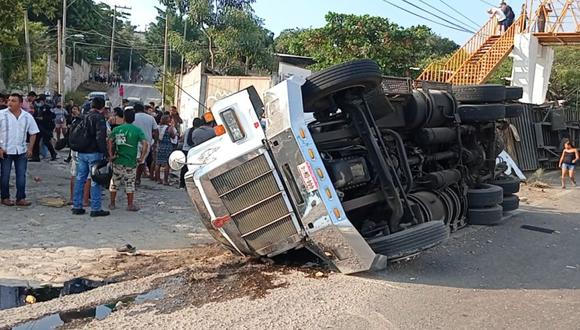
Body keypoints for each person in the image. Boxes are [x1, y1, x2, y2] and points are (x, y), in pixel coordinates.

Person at [70, 97, 110, 217]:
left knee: (80, 178)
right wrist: (105, 153)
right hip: (94, 153)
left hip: (82, 152)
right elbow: (100, 137)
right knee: (95, 180)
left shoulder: (84, 116)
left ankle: (77, 206)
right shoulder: (99, 118)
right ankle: (96, 208)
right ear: (102, 107)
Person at [0, 93, 39, 206]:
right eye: (9, 100)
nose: (10, 103)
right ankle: (5, 197)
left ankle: (20, 198)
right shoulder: (2, 115)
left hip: (21, 150)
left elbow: (33, 132)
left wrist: (30, 148)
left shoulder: (27, 116)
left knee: (21, 175)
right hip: (6, 150)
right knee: (5, 175)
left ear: (20, 103)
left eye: (13, 101)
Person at [108, 108, 148, 211]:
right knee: (130, 183)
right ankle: (130, 205)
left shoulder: (117, 129)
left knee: (114, 181)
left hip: (118, 160)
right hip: (131, 161)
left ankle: (112, 203)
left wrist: (111, 155)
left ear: (124, 117)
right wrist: (142, 157)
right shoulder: (137, 130)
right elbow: (145, 143)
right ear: (134, 119)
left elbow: (109, 141)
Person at [132, 103, 158, 185]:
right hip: (147, 142)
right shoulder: (150, 118)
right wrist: (155, 142)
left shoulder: (133, 117)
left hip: (134, 141)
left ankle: (132, 177)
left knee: (133, 160)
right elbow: (156, 131)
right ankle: (137, 178)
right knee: (142, 161)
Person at [31, 96, 57, 161]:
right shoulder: (37, 108)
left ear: (43, 101)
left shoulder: (48, 107)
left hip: (46, 127)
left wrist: (44, 118)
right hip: (38, 126)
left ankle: (53, 153)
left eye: (40, 101)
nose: (38, 102)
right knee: (36, 141)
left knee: (46, 141)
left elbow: (53, 116)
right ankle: (35, 157)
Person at [155, 115, 176, 185]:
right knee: (167, 163)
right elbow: (172, 136)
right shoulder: (169, 128)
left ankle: (158, 179)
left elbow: (155, 136)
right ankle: (165, 180)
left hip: (160, 146)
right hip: (167, 146)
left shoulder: (158, 127)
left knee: (158, 163)